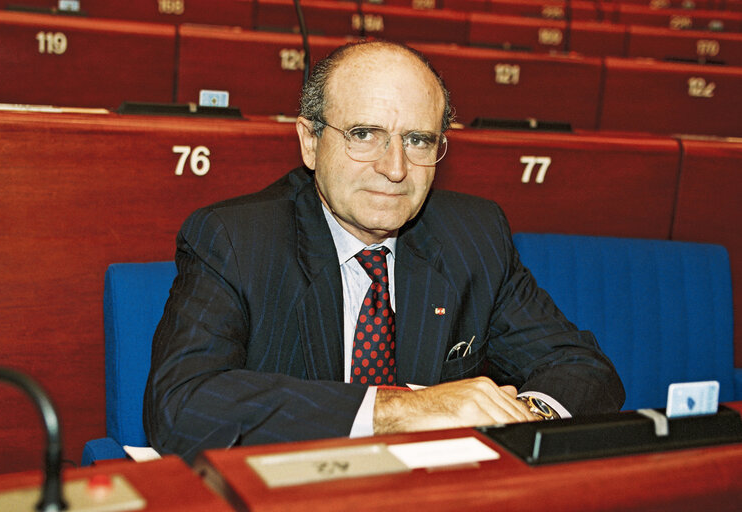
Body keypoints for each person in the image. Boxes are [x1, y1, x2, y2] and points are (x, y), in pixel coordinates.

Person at [144, 40, 625, 461]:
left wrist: (520, 417)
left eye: (418, 140)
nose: (395, 168)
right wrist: (397, 410)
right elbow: (181, 405)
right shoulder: (236, 239)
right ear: (310, 142)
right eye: (364, 134)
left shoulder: (474, 236)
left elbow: (582, 369)